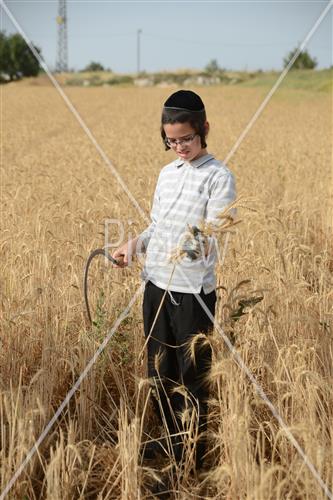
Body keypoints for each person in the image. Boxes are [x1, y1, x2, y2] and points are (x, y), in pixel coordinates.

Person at [112, 90, 237, 476]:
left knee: (191, 375)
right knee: (158, 371)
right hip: (155, 287)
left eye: (186, 138)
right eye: (171, 140)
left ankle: (192, 459)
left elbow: (213, 232)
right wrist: (135, 244)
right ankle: (170, 443)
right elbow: (157, 226)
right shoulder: (166, 175)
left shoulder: (219, 177)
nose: (179, 146)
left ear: (204, 130)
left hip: (192, 294)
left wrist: (179, 251)